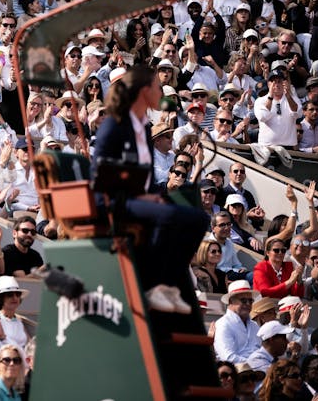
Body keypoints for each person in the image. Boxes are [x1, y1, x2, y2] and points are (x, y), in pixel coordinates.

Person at [92, 64, 210, 314]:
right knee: (168, 216)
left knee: (199, 219)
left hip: (139, 197)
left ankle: (167, 281)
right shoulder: (115, 125)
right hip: (113, 200)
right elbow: (102, 175)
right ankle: (151, 282)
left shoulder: (143, 127)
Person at [214, 280, 262, 363]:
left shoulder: (254, 325)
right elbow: (228, 357)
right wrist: (255, 364)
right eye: (243, 301)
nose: (248, 304)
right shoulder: (223, 324)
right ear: (230, 301)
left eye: (250, 301)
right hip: (236, 372)